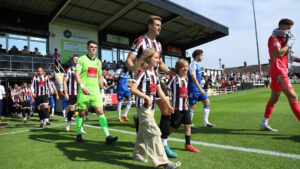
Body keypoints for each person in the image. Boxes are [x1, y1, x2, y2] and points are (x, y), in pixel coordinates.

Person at [126, 15, 175, 156]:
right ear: (150, 25)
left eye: (160, 25)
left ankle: (164, 143)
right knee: (151, 116)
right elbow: (129, 60)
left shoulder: (158, 45)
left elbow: (161, 64)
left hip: (157, 80)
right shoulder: (140, 41)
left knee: (167, 110)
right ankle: (154, 150)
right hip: (144, 82)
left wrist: (172, 72)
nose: (159, 27)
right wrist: (139, 72)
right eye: (157, 25)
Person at [130, 48, 181, 169]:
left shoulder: (155, 73)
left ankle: (137, 154)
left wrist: (167, 104)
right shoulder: (142, 72)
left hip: (150, 108)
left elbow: (159, 91)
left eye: (158, 58)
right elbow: (133, 89)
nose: (158, 60)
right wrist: (146, 97)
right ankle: (164, 163)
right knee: (154, 132)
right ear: (148, 58)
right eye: (156, 58)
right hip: (143, 107)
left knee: (143, 132)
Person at [260, 18, 300, 131]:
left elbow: (289, 57)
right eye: (288, 28)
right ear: (282, 26)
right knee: (293, 97)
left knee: (274, 99)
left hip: (279, 71)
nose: (289, 30)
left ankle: (264, 123)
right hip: (279, 71)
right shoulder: (274, 38)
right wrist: (288, 43)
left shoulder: (284, 38)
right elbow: (279, 53)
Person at [75, 40, 118, 144]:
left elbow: (100, 76)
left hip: (95, 92)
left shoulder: (98, 62)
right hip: (83, 91)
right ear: (87, 48)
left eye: (95, 47)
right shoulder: (81, 60)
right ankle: (78, 134)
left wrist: (102, 88)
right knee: (81, 113)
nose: (93, 48)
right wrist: (82, 86)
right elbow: (77, 75)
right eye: (91, 47)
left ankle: (107, 136)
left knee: (100, 111)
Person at [166, 59, 200, 156]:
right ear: (178, 68)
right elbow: (167, 88)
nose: (185, 68)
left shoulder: (186, 78)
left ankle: (188, 145)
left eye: (186, 66)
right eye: (183, 67)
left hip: (185, 107)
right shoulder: (173, 78)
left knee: (188, 125)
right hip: (177, 108)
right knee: (174, 126)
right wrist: (167, 102)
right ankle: (162, 138)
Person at [188, 49, 215, 128]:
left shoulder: (197, 65)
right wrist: (200, 88)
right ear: (197, 55)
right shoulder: (192, 65)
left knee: (207, 103)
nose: (202, 57)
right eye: (202, 55)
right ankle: (189, 124)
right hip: (194, 88)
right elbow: (193, 78)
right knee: (192, 106)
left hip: (199, 88)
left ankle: (205, 122)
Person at [64, 55, 84, 132]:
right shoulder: (69, 70)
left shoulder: (82, 70)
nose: (76, 61)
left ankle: (81, 127)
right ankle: (68, 122)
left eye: (77, 59)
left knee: (81, 111)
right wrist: (65, 93)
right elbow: (64, 82)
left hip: (80, 93)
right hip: (72, 93)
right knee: (72, 110)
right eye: (74, 59)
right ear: (72, 61)